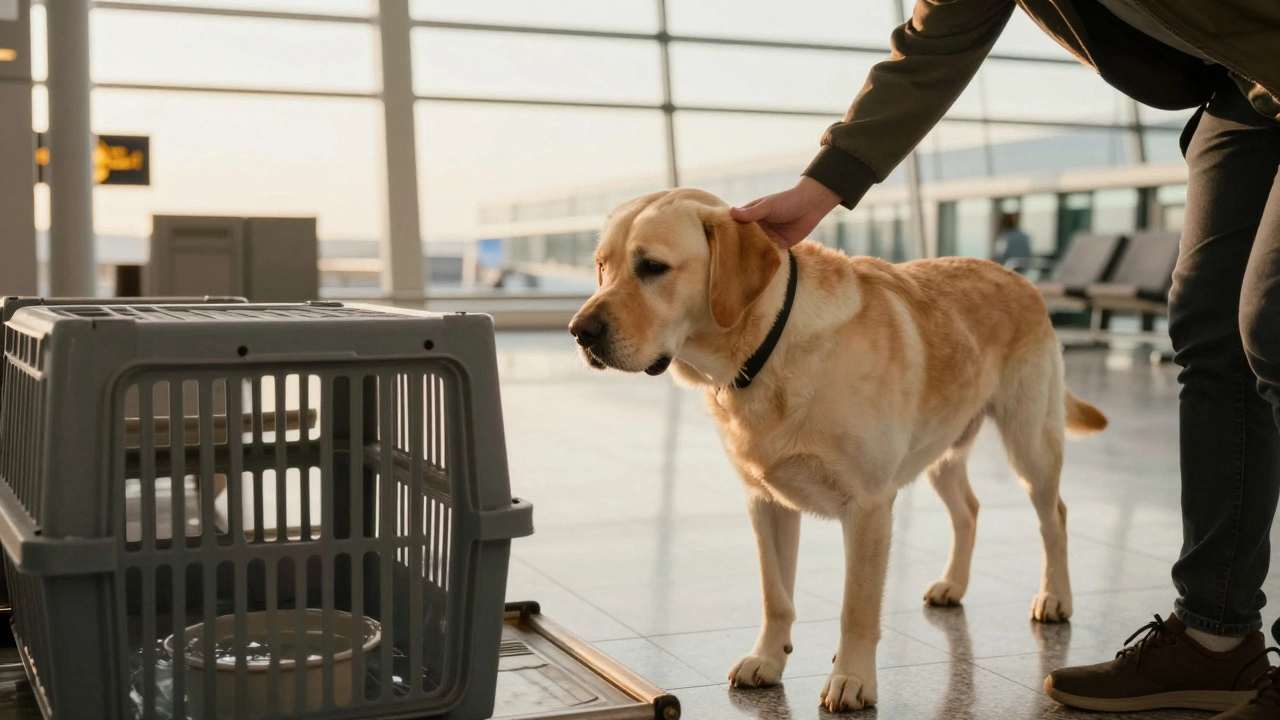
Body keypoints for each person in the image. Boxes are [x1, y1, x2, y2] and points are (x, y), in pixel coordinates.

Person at [729, 1, 1280, 717]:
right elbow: (937, 41)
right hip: (1243, 90)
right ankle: (1214, 639)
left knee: (1270, 325)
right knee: (1210, 335)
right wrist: (822, 185)